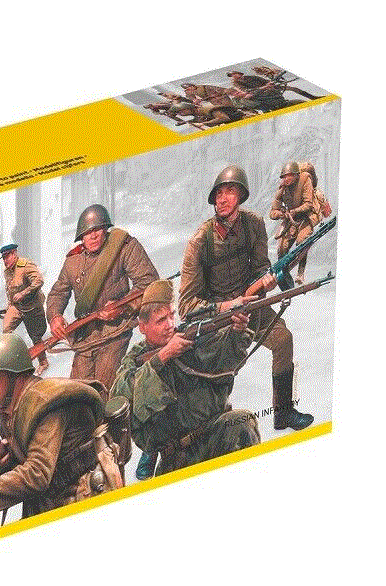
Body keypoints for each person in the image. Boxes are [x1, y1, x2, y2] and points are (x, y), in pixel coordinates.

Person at [180, 165, 313, 431]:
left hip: (251, 306)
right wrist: (227, 306)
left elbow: (261, 268)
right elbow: (186, 306)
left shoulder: (254, 224)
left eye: (230, 191)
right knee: (216, 377)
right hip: (218, 317)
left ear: (241, 195)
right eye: (218, 193)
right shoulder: (200, 241)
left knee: (283, 339)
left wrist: (266, 281)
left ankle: (283, 413)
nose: (222, 199)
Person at [0, 333, 123, 519]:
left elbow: (37, 474)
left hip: (84, 492)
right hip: (53, 494)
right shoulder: (11, 412)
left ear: (13, 374)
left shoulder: (46, 404)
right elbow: (25, 461)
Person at [109, 280, 260, 476]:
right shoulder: (134, 360)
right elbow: (120, 396)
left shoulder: (189, 336)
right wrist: (162, 357)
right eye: (161, 320)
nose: (170, 325)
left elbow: (223, 358)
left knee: (242, 421)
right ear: (142, 327)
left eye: (172, 315)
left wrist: (236, 331)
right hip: (177, 457)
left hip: (216, 434)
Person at [46, 204, 158, 391]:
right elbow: (58, 292)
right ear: (81, 236)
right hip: (85, 337)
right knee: (76, 392)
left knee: (102, 390)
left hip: (115, 331)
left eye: (97, 229)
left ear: (106, 229)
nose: (93, 236)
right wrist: (54, 317)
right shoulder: (73, 260)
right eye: (87, 232)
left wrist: (123, 307)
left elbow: (149, 282)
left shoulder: (123, 248)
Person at [0, 243, 49, 374]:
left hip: (32, 306)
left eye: (7, 256)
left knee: (36, 337)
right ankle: (13, 362)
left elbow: (39, 281)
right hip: (17, 307)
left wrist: (23, 293)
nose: (5, 260)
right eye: (3, 258)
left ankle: (43, 362)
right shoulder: (7, 272)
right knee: (6, 330)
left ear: (14, 254)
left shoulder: (26, 265)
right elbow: (10, 290)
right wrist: (9, 305)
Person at [269, 162, 319, 285]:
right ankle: (283, 275)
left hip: (306, 217)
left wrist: (295, 211)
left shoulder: (305, 179)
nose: (286, 179)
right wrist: (282, 214)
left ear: (296, 175)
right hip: (291, 220)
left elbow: (308, 204)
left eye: (289, 176)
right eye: (284, 176)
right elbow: (272, 212)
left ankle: (300, 273)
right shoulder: (283, 188)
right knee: (282, 247)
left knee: (302, 242)